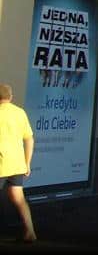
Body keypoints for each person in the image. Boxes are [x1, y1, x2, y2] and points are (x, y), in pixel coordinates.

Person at [0, 84, 36, 243]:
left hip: (1, 164)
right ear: (11, 96)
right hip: (17, 164)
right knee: (19, 198)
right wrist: (27, 163)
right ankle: (30, 232)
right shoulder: (19, 113)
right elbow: (29, 138)